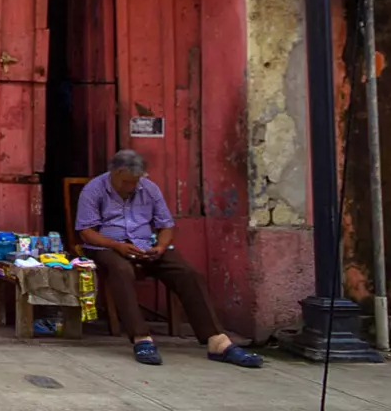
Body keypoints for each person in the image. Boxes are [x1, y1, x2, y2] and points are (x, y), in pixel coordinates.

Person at [75, 149, 263, 369]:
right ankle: (141, 339)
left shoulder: (149, 189)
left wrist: (161, 247)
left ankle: (217, 341)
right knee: (121, 270)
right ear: (115, 173)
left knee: (187, 273)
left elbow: (166, 225)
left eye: (135, 181)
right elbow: (86, 231)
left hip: (146, 245)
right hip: (107, 245)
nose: (131, 187)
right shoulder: (94, 190)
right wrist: (117, 245)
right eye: (126, 181)